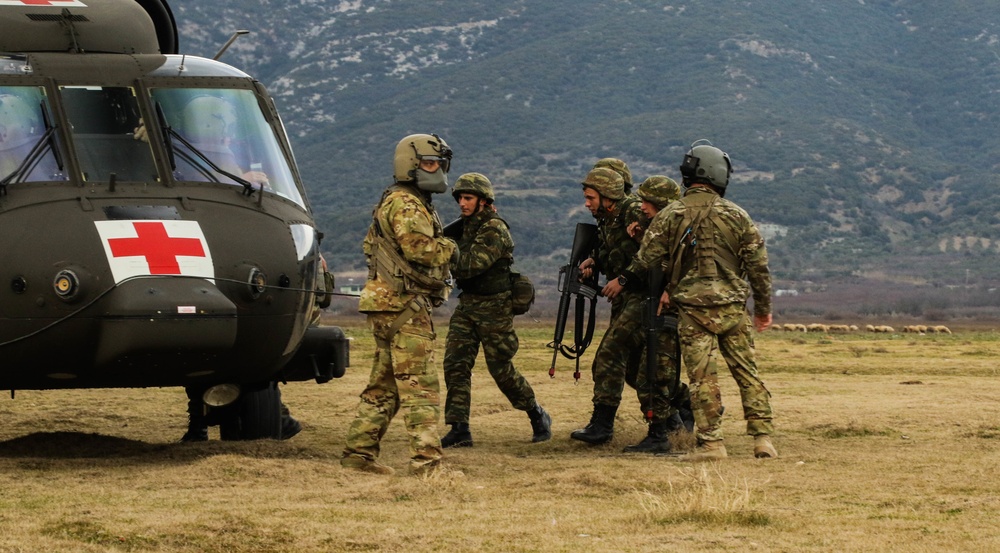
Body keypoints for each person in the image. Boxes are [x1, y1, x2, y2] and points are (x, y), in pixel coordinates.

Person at [634, 141, 777, 460]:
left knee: (702, 378)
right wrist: (763, 311)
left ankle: (712, 444)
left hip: (693, 311)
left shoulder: (671, 214)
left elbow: (646, 259)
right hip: (733, 310)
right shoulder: (738, 215)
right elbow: (758, 267)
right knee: (747, 373)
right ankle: (762, 439)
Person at [341, 133, 457, 476]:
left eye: (439, 164)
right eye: (430, 163)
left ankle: (358, 455)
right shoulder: (407, 204)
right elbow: (421, 249)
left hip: (386, 305)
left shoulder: (396, 200)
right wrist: (451, 246)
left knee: (384, 386)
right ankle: (427, 463)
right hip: (404, 306)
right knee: (420, 387)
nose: (437, 171)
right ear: (411, 165)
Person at [440, 173, 551, 448]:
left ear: (483, 201)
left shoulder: (494, 228)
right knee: (455, 364)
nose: (462, 204)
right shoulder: (464, 228)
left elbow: (469, 266)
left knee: (500, 368)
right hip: (468, 304)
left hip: (495, 306)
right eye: (460, 199)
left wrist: (444, 247)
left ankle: (536, 413)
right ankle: (459, 428)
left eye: (468, 198)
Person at [569, 166, 668, 447]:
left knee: (610, 353)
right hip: (626, 297)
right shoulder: (608, 218)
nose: (586, 203)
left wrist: (623, 279)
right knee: (635, 369)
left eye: (591, 197)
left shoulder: (635, 211)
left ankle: (602, 424)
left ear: (608, 195)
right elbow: (616, 250)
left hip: (644, 294)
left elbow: (656, 250)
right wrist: (595, 262)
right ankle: (679, 408)